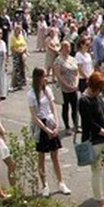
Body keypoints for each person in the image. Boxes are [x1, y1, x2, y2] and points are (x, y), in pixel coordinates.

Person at [79, 71, 104, 207]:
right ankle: (99, 200)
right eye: (98, 89)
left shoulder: (98, 97)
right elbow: (91, 124)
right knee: (97, 171)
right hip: (94, 140)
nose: (100, 92)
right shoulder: (84, 100)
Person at [28, 67, 69, 198]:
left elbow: (53, 108)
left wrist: (56, 124)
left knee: (55, 156)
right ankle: (44, 185)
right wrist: (45, 129)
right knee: (41, 157)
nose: (46, 78)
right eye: (44, 76)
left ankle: (61, 182)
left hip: (51, 122)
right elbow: (34, 116)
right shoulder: (31, 94)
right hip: (41, 126)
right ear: (38, 78)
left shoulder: (48, 91)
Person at [54, 41, 81, 135]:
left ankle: (76, 125)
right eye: (65, 47)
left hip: (73, 87)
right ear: (62, 47)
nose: (68, 49)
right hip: (64, 88)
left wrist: (76, 83)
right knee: (65, 107)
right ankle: (67, 127)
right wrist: (66, 85)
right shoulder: (58, 60)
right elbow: (58, 75)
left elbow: (77, 72)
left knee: (75, 107)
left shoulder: (72, 59)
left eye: (69, 47)